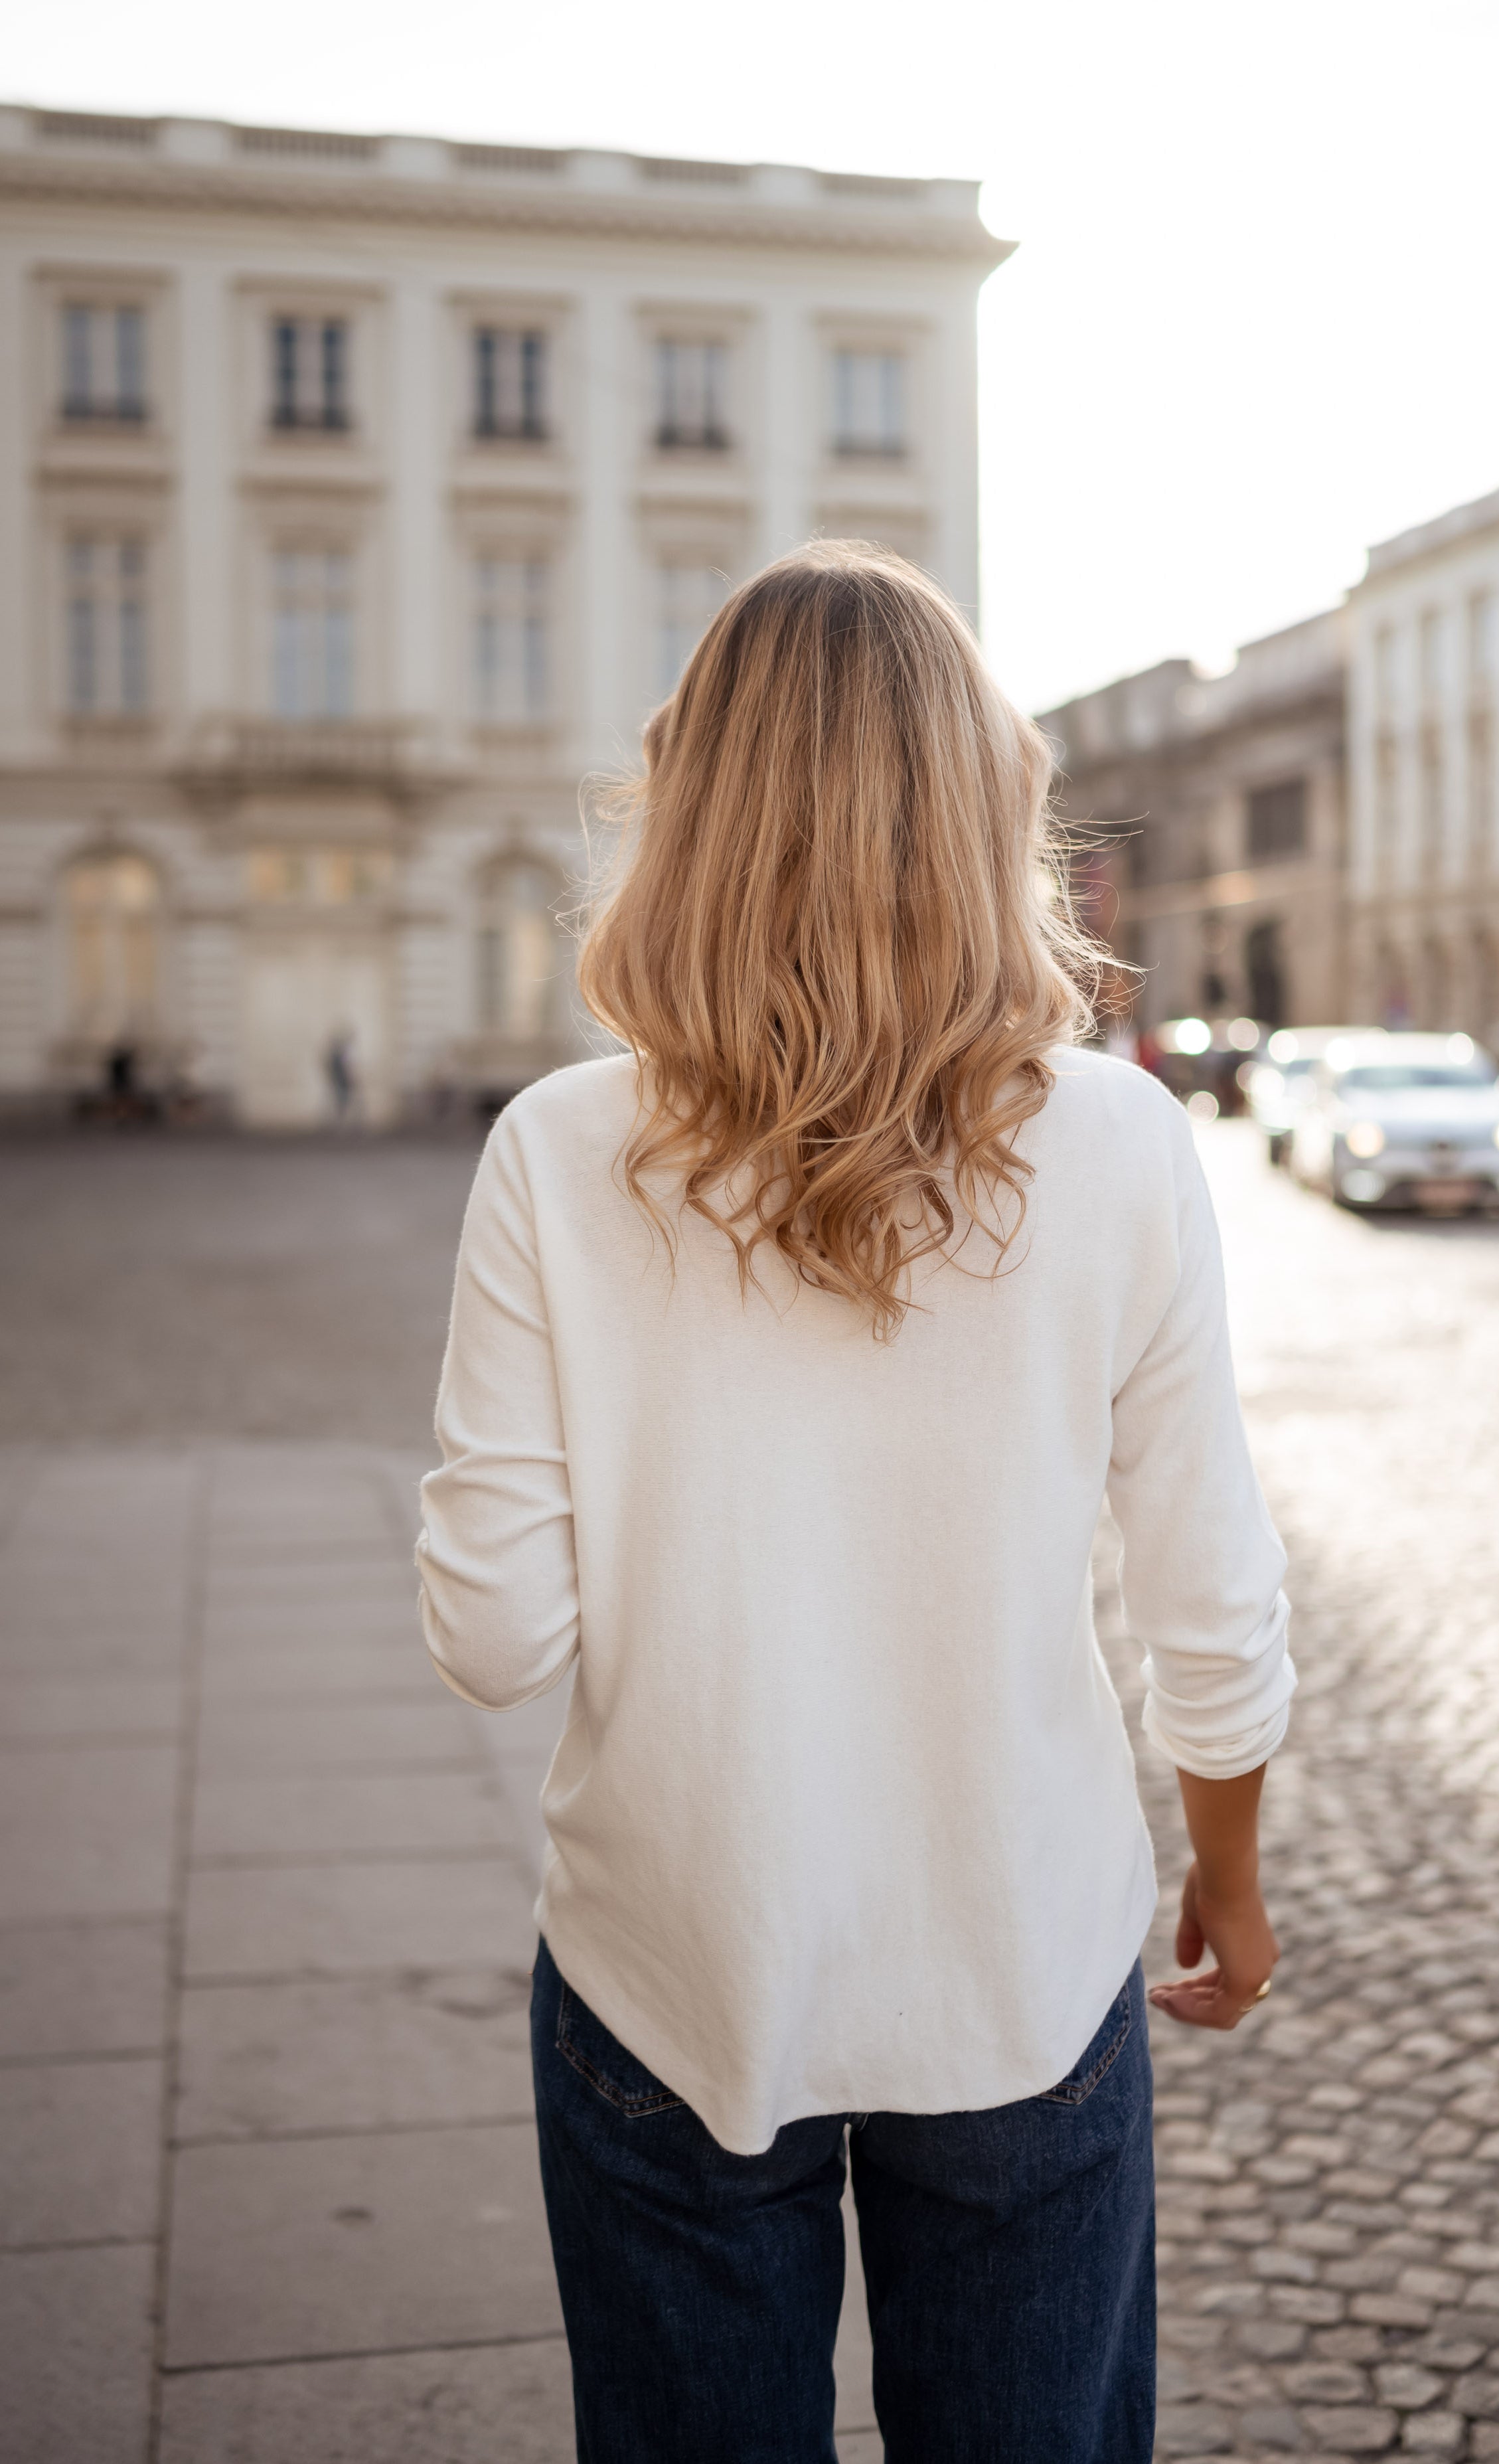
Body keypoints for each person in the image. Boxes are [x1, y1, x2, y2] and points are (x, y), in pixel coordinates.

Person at [417, 542, 1293, 2463]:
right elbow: (1208, 1604)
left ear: (692, 806)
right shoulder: (1122, 1141)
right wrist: (1221, 1873)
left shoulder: (560, 1151)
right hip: (1017, 1954)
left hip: (678, 1959)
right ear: (985, 806)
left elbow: (492, 1642)